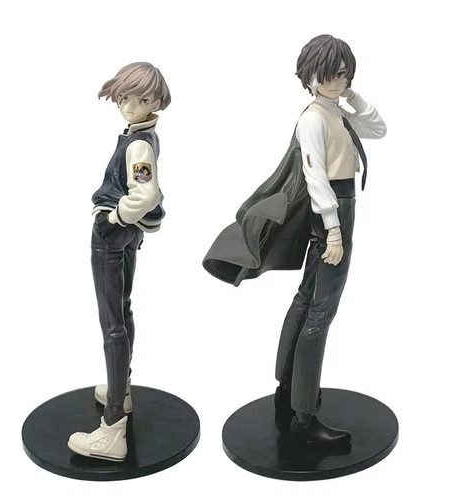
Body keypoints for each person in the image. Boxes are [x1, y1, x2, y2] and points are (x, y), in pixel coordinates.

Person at [203, 35, 386, 447]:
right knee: (320, 310)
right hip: (333, 211)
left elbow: (378, 128)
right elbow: (316, 177)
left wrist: (353, 95)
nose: (337, 81)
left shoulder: (335, 112)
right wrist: (334, 231)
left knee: (306, 301)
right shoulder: (314, 119)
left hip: (337, 207)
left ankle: (287, 393)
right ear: (311, 76)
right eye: (330, 74)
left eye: (343, 74)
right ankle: (304, 414)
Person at [67, 62, 171, 461]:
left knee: (112, 322)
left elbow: (145, 193)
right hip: (129, 234)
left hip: (114, 233)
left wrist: (112, 219)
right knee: (122, 311)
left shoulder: (139, 145)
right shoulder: (138, 136)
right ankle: (120, 390)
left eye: (141, 99)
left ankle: (113, 429)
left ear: (156, 101)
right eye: (125, 97)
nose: (130, 105)